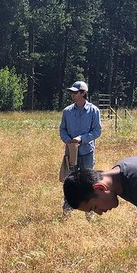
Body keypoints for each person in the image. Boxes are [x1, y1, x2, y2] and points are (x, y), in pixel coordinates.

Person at [59, 81, 102, 217]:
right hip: (71, 152)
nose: (72, 94)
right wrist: (69, 141)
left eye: (75, 92)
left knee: (89, 181)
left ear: (83, 93)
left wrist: (81, 138)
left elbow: (97, 131)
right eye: (71, 92)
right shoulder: (67, 111)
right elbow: (62, 129)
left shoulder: (94, 110)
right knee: (70, 180)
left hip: (87, 152)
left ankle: (90, 210)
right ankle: (68, 206)